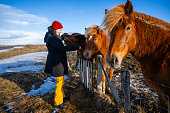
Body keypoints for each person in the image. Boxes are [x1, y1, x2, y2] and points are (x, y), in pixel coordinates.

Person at [44, 21, 80, 112]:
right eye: (59, 29)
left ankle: (62, 97)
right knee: (59, 84)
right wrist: (76, 47)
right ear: (55, 29)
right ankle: (57, 103)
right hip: (56, 64)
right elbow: (61, 48)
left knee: (61, 81)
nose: (60, 31)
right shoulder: (51, 38)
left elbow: (58, 41)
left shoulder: (53, 35)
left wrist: (62, 38)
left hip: (58, 62)